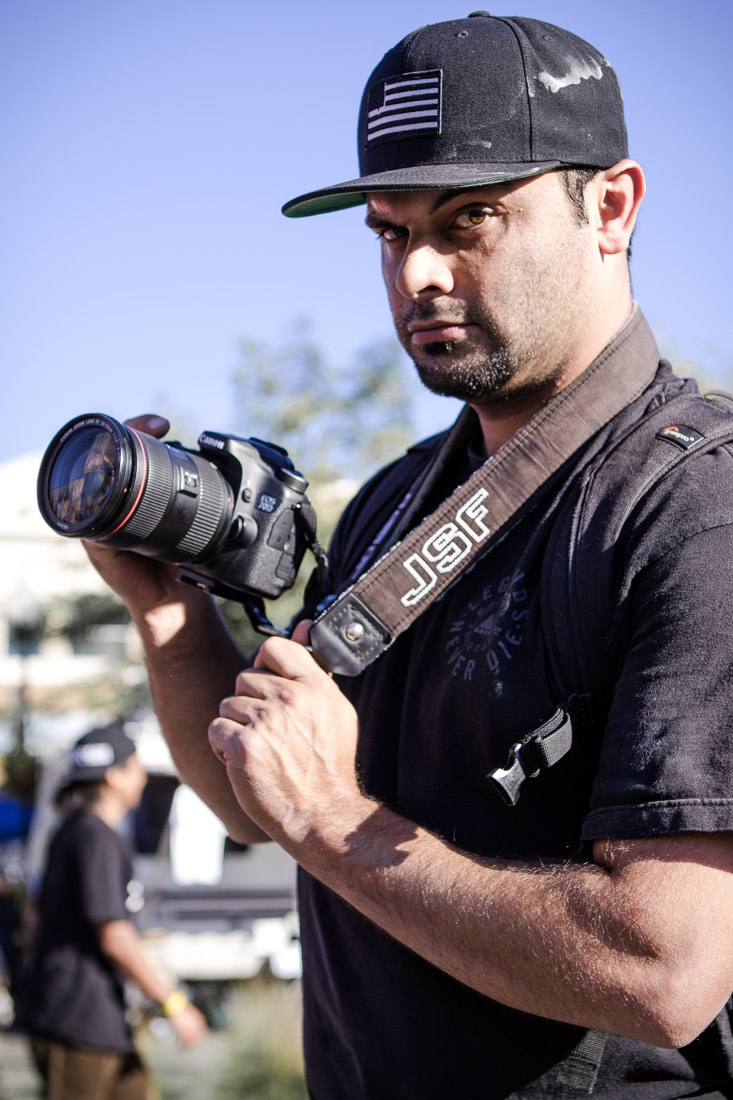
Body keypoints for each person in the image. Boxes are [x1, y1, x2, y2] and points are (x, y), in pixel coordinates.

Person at [83, 14, 733, 1099]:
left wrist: (335, 821)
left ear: (611, 208)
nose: (417, 271)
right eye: (388, 232)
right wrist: (165, 610)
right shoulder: (395, 502)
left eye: (469, 218)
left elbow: (664, 968)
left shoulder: (692, 510)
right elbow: (256, 804)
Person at [26, 722, 206, 1100]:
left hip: (92, 1014)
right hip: (78, 1019)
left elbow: (37, 917)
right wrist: (173, 1002)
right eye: (136, 767)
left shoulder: (73, 830)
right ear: (113, 776)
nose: (143, 778)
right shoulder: (96, 838)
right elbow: (114, 935)